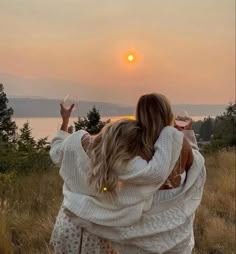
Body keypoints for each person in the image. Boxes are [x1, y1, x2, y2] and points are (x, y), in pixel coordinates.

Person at [50, 93, 206, 253]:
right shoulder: (172, 148)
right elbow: (194, 164)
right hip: (173, 233)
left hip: (70, 226)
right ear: (167, 113)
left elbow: (56, 151)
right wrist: (181, 134)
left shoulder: (123, 152)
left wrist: (65, 120)